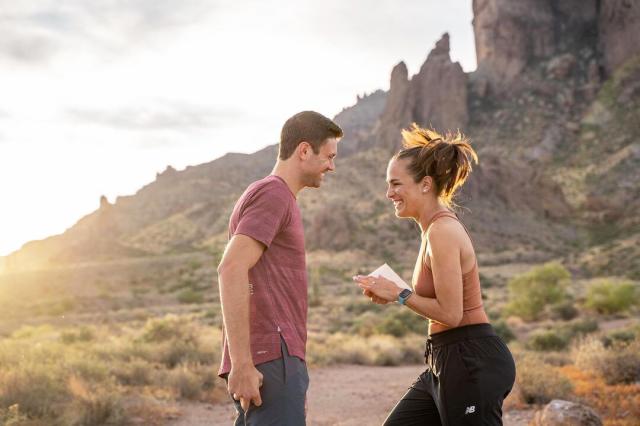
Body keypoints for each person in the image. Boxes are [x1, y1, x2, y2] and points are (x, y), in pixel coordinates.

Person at [354, 124, 515, 425]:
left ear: (425, 184)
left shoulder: (442, 231)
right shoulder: (432, 230)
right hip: (445, 359)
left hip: (469, 359)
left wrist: (400, 294)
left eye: (396, 184)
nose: (389, 193)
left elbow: (451, 314)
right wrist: (392, 290)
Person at [217, 111, 342, 425]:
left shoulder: (276, 196)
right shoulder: (273, 194)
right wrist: (242, 364)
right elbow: (231, 268)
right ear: (303, 151)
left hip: (273, 357)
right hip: (273, 358)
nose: (332, 166)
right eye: (328, 156)